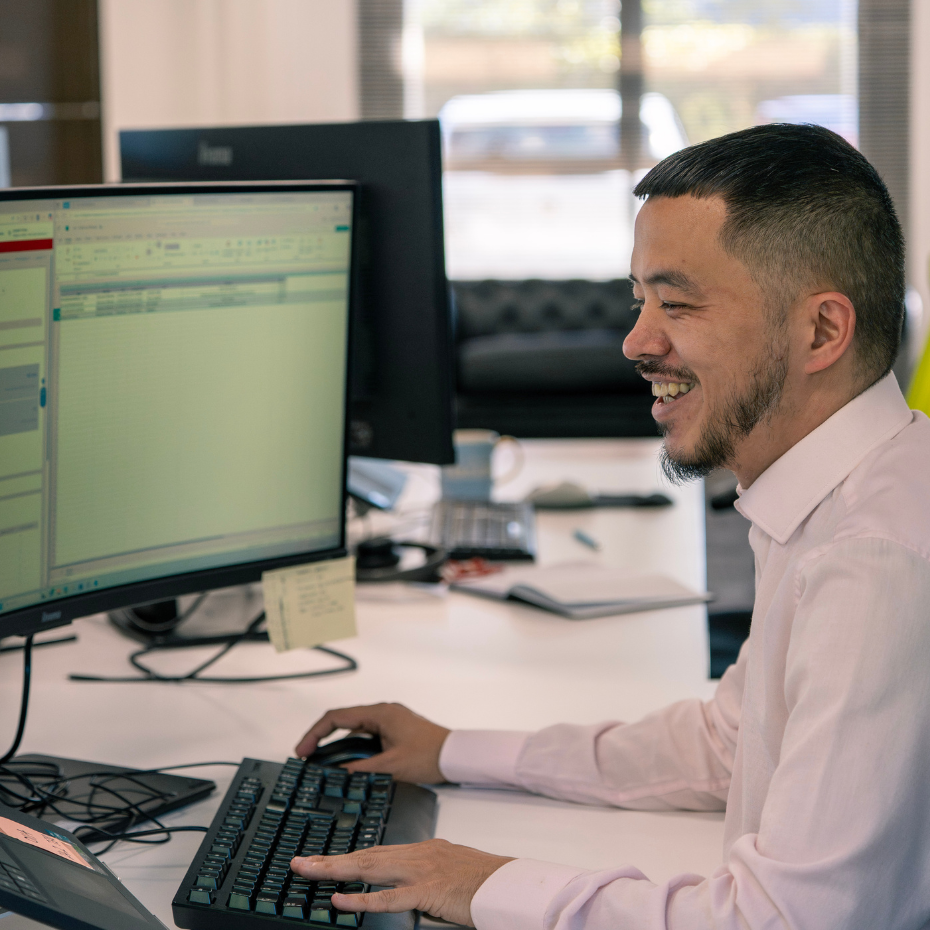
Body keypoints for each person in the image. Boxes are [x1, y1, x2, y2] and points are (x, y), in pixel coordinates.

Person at [290, 123, 930, 929]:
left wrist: (484, 882)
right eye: (640, 300)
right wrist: (454, 751)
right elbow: (728, 745)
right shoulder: (838, 500)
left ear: (821, 332)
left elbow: (784, 919)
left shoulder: (876, 558)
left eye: (679, 303)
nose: (637, 341)